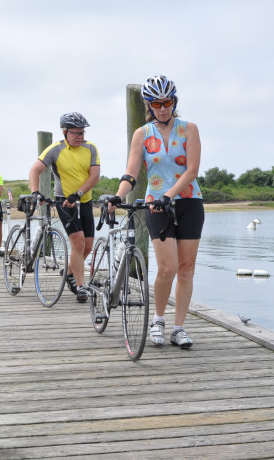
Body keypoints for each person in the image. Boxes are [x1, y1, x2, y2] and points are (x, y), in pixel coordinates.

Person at [108, 75, 203, 349]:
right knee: (167, 267)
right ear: (149, 105)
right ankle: (158, 320)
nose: (163, 108)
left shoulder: (190, 129)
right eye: (157, 103)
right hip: (155, 206)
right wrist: (118, 195)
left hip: (188, 202)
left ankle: (179, 328)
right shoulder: (143, 134)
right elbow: (132, 173)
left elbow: (192, 171)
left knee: (186, 269)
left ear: (174, 102)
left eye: (168, 102)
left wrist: (169, 195)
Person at [28, 112, 100, 302]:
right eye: (76, 133)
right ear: (65, 132)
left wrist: (78, 193)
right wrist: (35, 192)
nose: (80, 137)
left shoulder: (91, 148)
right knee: (78, 243)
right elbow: (35, 169)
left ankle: (68, 272)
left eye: (82, 133)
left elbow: (94, 176)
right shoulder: (55, 149)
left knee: (88, 246)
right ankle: (81, 286)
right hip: (64, 202)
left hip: (83, 200)